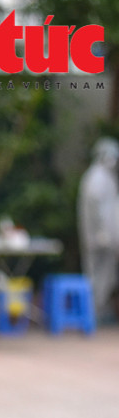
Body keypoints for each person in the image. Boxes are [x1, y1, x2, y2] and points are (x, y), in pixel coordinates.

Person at [78, 137, 119, 322]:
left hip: (108, 236)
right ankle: (93, 311)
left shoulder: (106, 176)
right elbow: (97, 208)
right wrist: (102, 232)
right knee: (95, 274)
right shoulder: (96, 176)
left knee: (107, 274)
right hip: (98, 237)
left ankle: (99, 309)